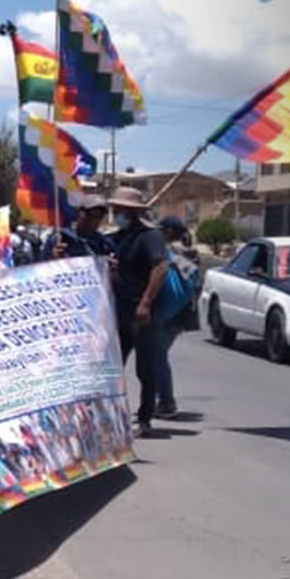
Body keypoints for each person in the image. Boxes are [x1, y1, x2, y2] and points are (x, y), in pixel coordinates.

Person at [108, 187, 169, 438]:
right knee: (114, 368)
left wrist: (145, 303)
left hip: (141, 314)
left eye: (119, 209)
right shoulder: (118, 237)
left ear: (130, 211)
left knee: (146, 369)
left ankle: (145, 418)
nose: (115, 213)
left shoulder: (150, 237)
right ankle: (112, 418)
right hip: (118, 313)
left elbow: (160, 267)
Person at [154, 216, 201, 418]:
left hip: (167, 314)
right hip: (178, 313)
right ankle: (163, 400)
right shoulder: (190, 254)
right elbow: (196, 286)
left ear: (168, 231)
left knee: (158, 357)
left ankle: (166, 402)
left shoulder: (172, 252)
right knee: (158, 356)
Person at [41, 194, 114, 261]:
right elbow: (42, 265)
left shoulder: (103, 243)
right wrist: (53, 257)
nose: (93, 221)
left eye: (98, 217)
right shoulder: (60, 237)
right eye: (90, 215)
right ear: (80, 213)